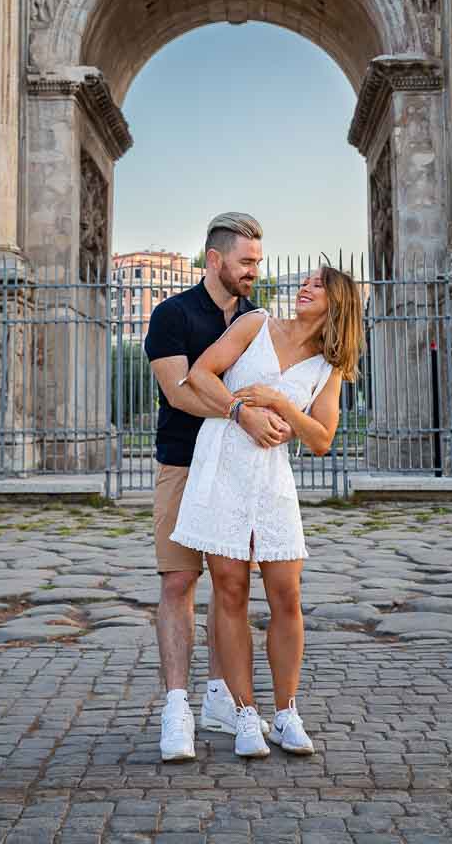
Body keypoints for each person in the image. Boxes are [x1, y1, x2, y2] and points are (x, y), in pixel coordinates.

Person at [170, 266, 364, 758]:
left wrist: (279, 402)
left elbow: (321, 439)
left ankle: (286, 713)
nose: (306, 287)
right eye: (308, 282)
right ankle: (244, 715)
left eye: (320, 286)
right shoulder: (255, 325)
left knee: (287, 596)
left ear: (338, 305)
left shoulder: (328, 366)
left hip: (272, 478)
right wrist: (242, 413)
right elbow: (198, 374)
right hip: (222, 466)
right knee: (229, 591)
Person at [145, 213, 293, 762]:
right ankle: (176, 707)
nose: (256, 269)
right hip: (183, 465)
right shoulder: (171, 314)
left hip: (239, 471)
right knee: (179, 583)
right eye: (247, 261)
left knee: (231, 588)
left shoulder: (258, 320)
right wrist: (239, 412)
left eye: (259, 259)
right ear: (214, 260)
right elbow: (181, 392)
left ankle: (218, 697)